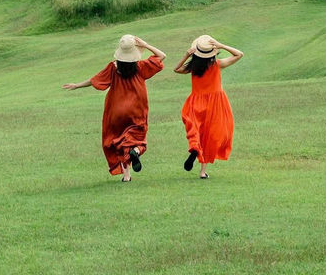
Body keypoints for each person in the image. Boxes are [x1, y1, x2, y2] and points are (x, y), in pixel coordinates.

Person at [63, 35, 166, 181]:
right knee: (137, 138)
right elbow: (162, 56)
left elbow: (95, 80)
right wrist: (146, 44)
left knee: (118, 141)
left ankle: (126, 176)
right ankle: (135, 151)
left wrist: (77, 85)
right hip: (137, 107)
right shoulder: (140, 67)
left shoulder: (113, 68)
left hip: (116, 110)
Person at [174, 35, 243, 179]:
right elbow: (239, 54)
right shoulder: (217, 65)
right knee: (211, 136)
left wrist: (187, 54)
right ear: (212, 53)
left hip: (196, 103)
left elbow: (177, 69)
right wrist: (221, 45)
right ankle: (203, 171)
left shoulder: (193, 67)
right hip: (215, 104)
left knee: (196, 131)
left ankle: (194, 148)